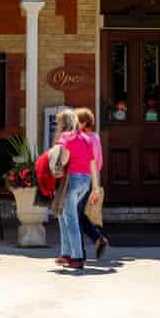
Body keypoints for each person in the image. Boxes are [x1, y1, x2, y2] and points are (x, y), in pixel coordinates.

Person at [53, 107, 100, 271]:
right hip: (85, 181)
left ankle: (77, 257)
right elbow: (92, 163)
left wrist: (57, 168)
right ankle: (66, 253)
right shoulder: (86, 138)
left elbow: (63, 155)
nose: (57, 125)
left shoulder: (66, 136)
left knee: (71, 218)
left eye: (58, 122)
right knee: (65, 216)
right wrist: (95, 187)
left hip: (71, 180)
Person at [75, 107, 109, 260]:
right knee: (78, 213)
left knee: (74, 214)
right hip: (91, 178)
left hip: (81, 177)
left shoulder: (82, 139)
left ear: (82, 123)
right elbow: (98, 161)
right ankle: (96, 240)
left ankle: (80, 252)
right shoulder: (95, 137)